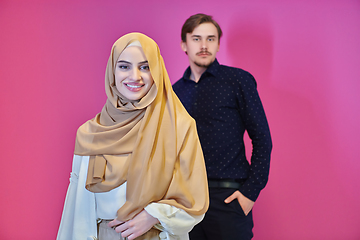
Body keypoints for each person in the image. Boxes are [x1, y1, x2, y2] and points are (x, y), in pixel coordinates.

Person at [57, 32, 209, 240]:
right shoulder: (90, 133)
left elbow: (195, 201)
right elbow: (75, 209)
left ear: (157, 71)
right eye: (124, 66)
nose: (135, 76)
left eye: (145, 67)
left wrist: (153, 215)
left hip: (155, 236)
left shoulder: (180, 127)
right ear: (112, 70)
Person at [172, 14, 272, 240]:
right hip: (187, 201)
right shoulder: (175, 92)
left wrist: (250, 193)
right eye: (196, 39)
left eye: (211, 39)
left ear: (218, 44)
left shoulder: (238, 80)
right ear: (184, 45)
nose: (204, 45)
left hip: (229, 198)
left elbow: (262, 139)